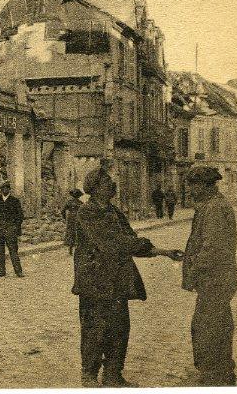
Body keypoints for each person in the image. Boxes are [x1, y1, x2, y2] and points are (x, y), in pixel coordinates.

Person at [72, 166, 181, 388]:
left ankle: (113, 374)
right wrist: (142, 244)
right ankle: (89, 375)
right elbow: (113, 243)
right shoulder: (87, 213)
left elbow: (130, 241)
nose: (113, 185)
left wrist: (163, 252)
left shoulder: (114, 212)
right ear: (96, 187)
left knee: (119, 328)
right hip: (94, 282)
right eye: (108, 182)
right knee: (94, 329)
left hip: (116, 282)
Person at [181, 166, 237, 386]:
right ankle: (220, 371)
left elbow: (212, 249)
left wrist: (192, 273)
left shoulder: (214, 208)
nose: (191, 190)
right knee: (216, 324)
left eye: (194, 186)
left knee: (208, 328)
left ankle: (215, 375)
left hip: (215, 279)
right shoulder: (211, 206)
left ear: (206, 186)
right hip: (217, 279)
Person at [0, 180, 24, 277]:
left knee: (13, 250)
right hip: (0, 229)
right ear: (1, 190)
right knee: (0, 251)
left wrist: (15, 227)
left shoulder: (15, 201)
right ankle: (1, 271)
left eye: (6, 188)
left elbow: (20, 216)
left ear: (9, 189)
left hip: (10, 228)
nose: (4, 190)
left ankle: (18, 271)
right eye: (2, 189)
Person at [61, 188, 84, 255]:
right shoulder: (80, 203)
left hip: (71, 219)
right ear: (79, 196)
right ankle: (78, 250)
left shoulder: (69, 202)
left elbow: (62, 211)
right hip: (78, 219)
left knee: (71, 233)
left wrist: (65, 218)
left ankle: (70, 250)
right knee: (78, 233)